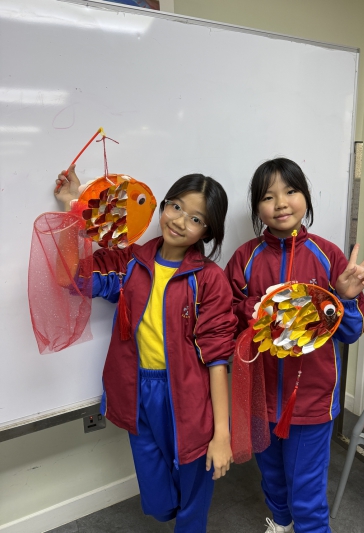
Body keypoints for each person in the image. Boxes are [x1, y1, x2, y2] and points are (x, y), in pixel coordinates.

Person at [55, 166, 237, 533]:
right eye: (176, 207)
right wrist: (73, 207)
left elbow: (217, 359)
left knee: (193, 493)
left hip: (190, 396)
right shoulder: (129, 263)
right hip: (137, 392)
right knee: (158, 500)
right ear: (163, 206)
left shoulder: (209, 279)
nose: (180, 221)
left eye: (196, 218)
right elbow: (71, 279)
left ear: (207, 231)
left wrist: (222, 434)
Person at [224, 158, 364, 533]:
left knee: (307, 491)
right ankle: (281, 523)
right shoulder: (245, 258)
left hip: (312, 399)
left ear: (305, 196)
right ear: (257, 207)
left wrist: (343, 299)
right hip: (260, 395)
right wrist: (262, 309)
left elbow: (351, 332)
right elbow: (226, 317)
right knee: (272, 476)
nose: (280, 203)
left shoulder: (328, 256)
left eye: (291, 191)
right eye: (268, 196)